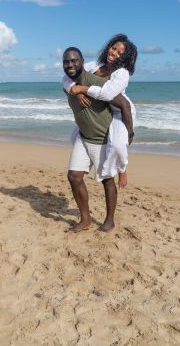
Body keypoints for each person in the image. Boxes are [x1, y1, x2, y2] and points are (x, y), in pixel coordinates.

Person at [63, 47, 133, 233]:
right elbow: (67, 85)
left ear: (82, 62)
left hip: (101, 139)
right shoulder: (68, 84)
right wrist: (75, 92)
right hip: (83, 137)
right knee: (74, 176)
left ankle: (109, 220)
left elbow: (124, 105)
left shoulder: (97, 82)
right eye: (66, 62)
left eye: (74, 61)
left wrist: (130, 133)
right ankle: (85, 219)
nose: (70, 65)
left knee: (107, 181)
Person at [63, 34, 137, 189]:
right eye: (113, 48)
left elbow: (107, 93)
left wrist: (82, 88)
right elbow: (68, 78)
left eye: (120, 53)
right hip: (99, 111)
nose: (114, 53)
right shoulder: (95, 65)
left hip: (118, 111)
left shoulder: (122, 73)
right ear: (108, 47)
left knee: (118, 145)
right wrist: (75, 91)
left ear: (125, 58)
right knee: (74, 137)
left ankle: (122, 169)